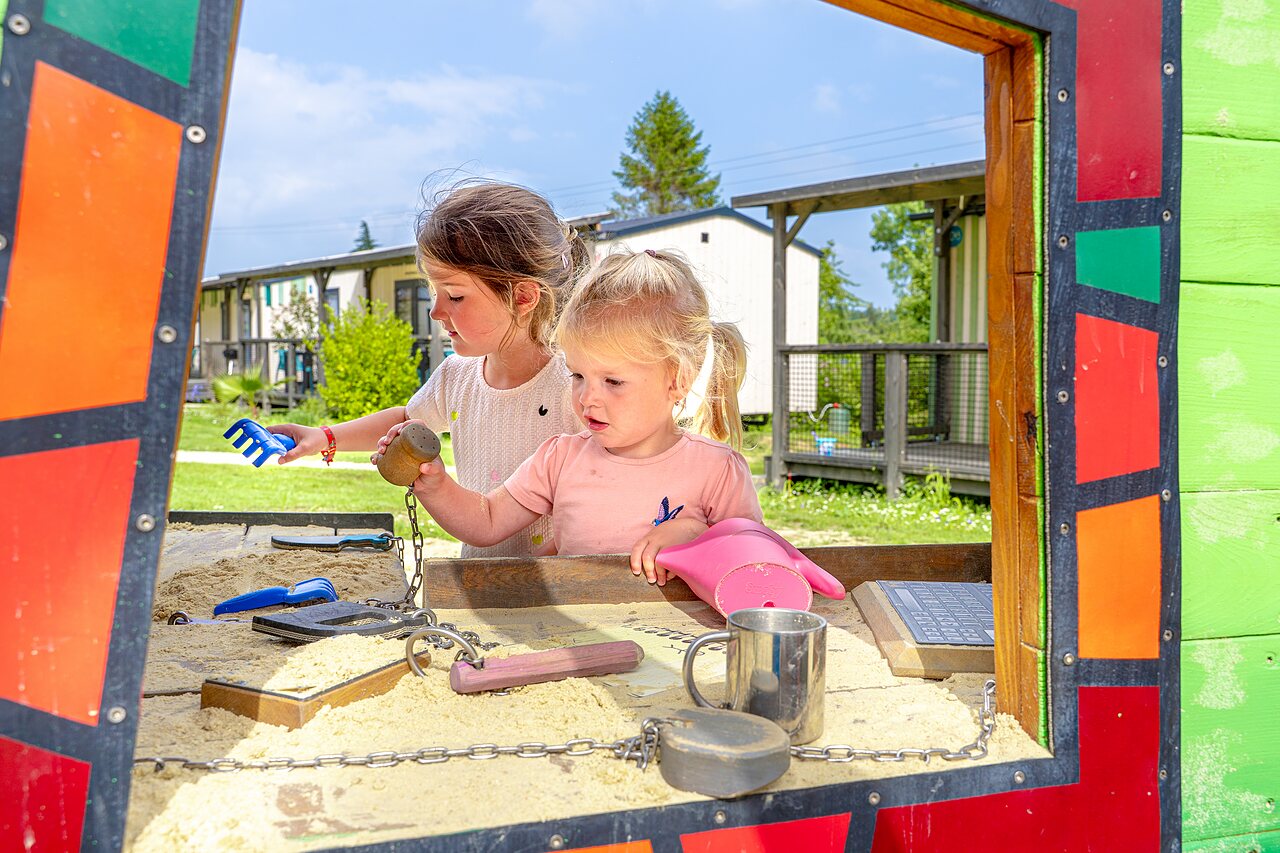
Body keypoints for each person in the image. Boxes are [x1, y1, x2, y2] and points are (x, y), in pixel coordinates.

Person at [395, 248, 763, 585]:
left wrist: (697, 536)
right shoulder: (560, 459)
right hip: (579, 641)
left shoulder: (717, 470)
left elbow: (758, 563)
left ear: (678, 379)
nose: (587, 397)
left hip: (678, 648)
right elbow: (487, 521)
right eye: (577, 376)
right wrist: (436, 485)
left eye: (613, 381)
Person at [271, 181, 587, 557]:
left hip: (558, 593)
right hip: (479, 586)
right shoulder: (457, 377)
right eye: (433, 293)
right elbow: (409, 420)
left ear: (522, 297)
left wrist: (539, 570)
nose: (436, 311)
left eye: (454, 296)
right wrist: (324, 437)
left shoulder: (576, 387)